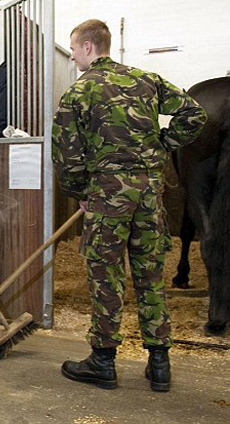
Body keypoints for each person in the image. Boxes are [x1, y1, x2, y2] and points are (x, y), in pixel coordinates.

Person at [52, 19, 207, 392]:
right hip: (150, 196)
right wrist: (164, 145)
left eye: (73, 50)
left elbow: (66, 155)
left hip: (107, 197)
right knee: (151, 275)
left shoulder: (79, 91)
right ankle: (159, 364)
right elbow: (194, 114)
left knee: (106, 276)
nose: (72, 57)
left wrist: (80, 192)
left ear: (88, 47)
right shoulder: (147, 80)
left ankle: (103, 361)